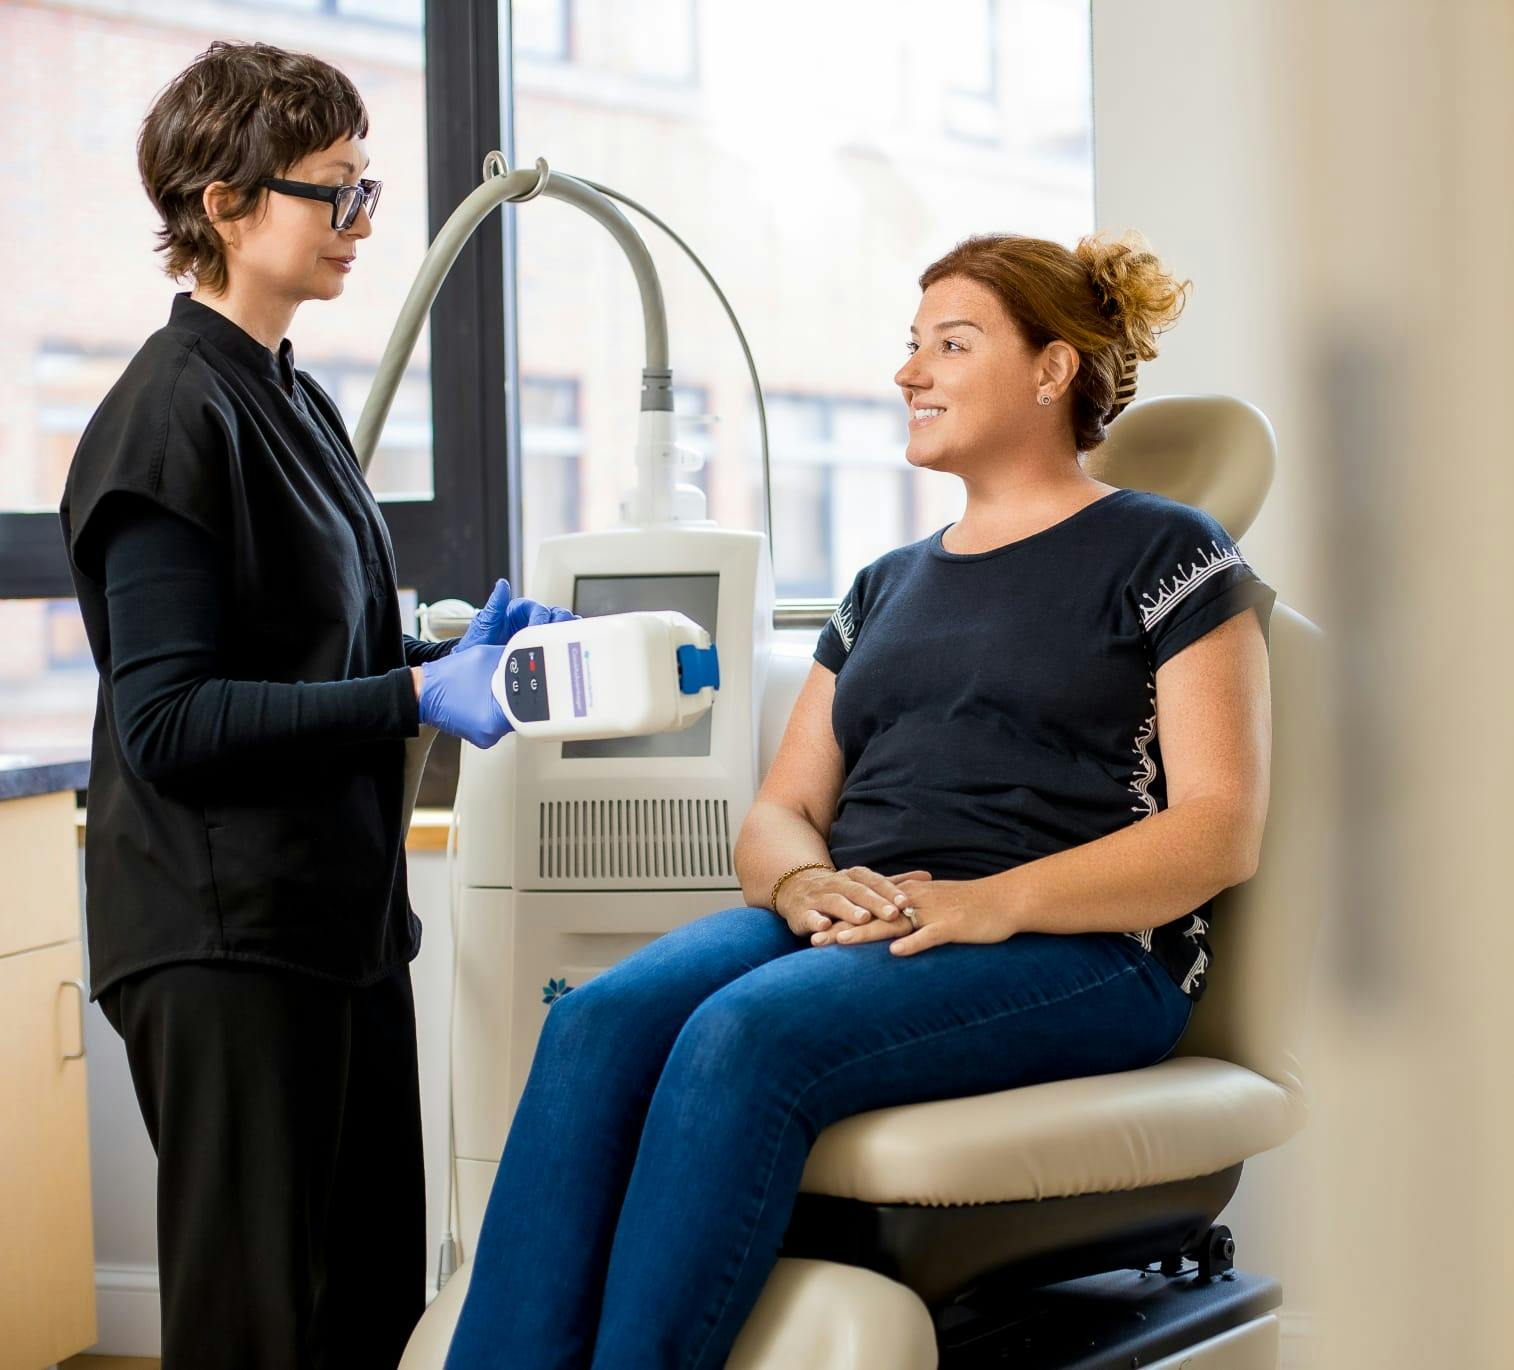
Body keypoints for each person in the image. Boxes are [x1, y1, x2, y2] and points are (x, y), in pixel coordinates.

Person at [443, 229, 1276, 1369]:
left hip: (1082, 943)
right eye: (910, 343)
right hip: (866, 916)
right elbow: (780, 807)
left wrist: (992, 901)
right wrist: (799, 881)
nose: (908, 371)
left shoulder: (1165, 549)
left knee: (744, 1032)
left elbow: (1215, 828)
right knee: (595, 1021)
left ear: (1051, 368)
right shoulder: (881, 584)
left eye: (951, 341)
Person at [58, 41, 572, 1369]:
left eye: (365, 190)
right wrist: (411, 688)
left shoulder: (292, 399)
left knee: (363, 1308)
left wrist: (451, 644)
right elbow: (170, 717)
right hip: (222, 932)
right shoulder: (168, 417)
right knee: (259, 1325)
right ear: (222, 206)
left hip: (335, 922)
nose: (358, 225)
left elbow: (304, 643)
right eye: (328, 192)